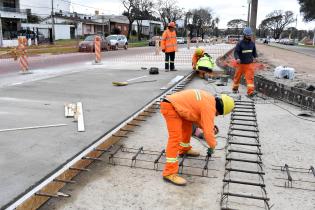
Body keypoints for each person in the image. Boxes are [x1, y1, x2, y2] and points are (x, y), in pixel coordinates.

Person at [160, 89, 235, 186]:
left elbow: (196, 116)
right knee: (175, 138)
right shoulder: (209, 107)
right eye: (218, 114)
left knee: (187, 129)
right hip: (170, 107)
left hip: (176, 106)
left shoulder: (209, 99)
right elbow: (208, 133)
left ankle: (184, 149)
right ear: (220, 109)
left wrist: (209, 126)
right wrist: (213, 145)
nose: (216, 115)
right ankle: (169, 173)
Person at [232, 27, 258, 97]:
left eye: (250, 35)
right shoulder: (240, 43)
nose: (249, 36)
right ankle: (235, 88)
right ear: (244, 35)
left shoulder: (252, 44)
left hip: (249, 64)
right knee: (237, 77)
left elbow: (254, 52)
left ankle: (250, 92)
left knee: (250, 78)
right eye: (247, 35)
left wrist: (255, 57)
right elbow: (236, 52)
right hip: (240, 64)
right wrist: (237, 58)